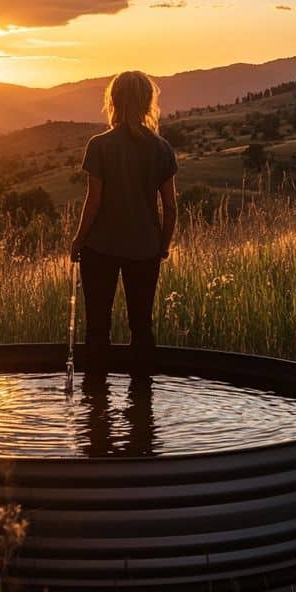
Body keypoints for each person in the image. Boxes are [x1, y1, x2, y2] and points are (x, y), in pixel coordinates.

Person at [70, 70, 177, 376]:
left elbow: (93, 203)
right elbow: (169, 207)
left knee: (97, 328)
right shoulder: (161, 148)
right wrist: (163, 245)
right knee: (142, 327)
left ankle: (95, 406)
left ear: (114, 101)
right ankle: (143, 407)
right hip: (145, 249)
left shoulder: (99, 145)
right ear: (147, 103)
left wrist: (78, 241)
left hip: (99, 249)